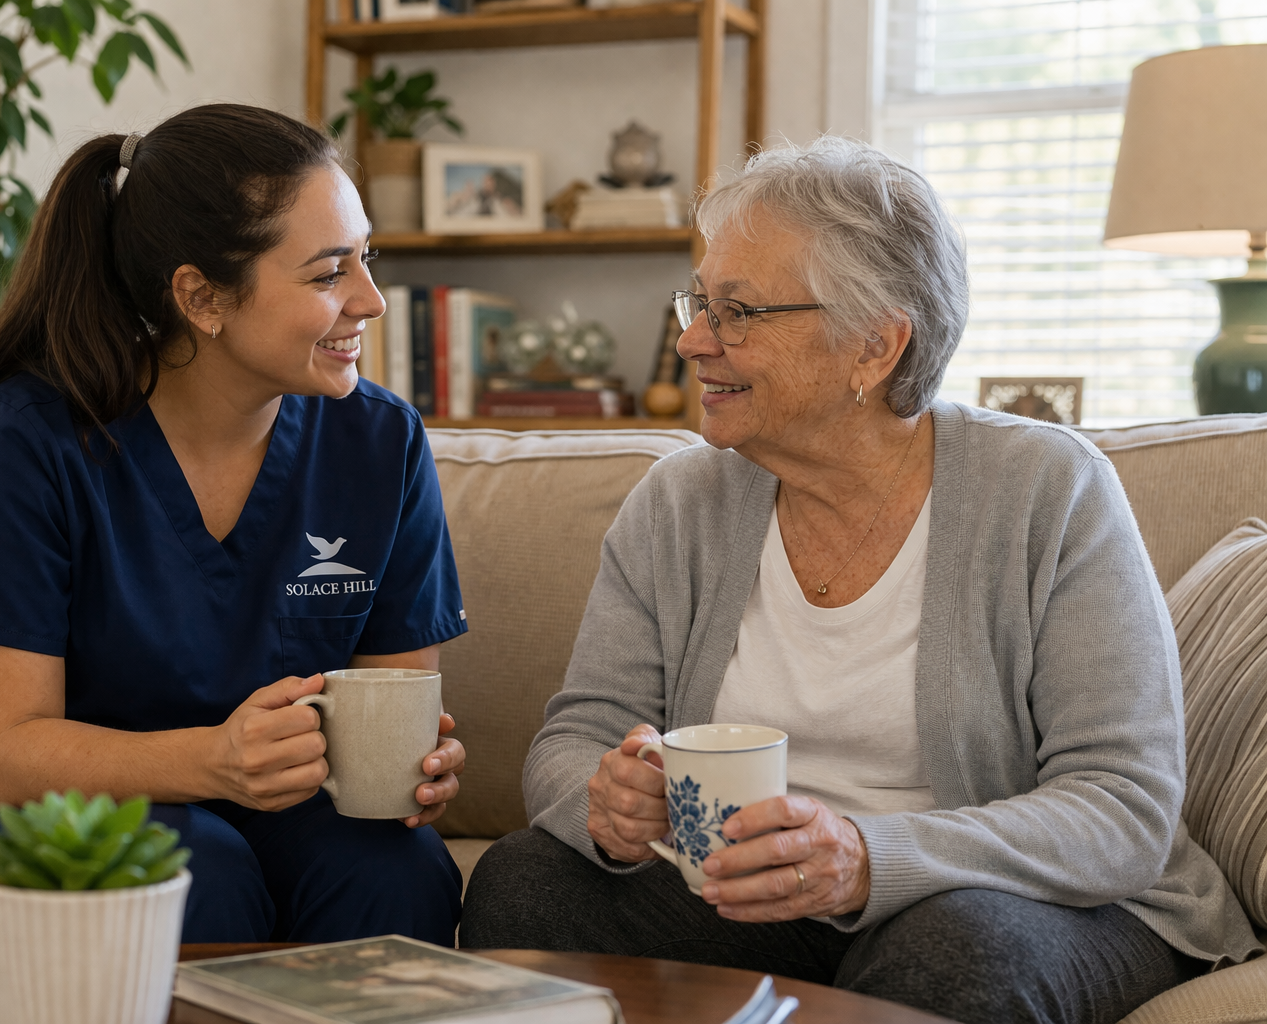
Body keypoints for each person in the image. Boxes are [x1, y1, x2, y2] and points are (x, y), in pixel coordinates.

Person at [460, 136, 1261, 1024]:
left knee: (955, 954)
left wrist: (868, 857)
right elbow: (579, 735)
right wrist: (605, 806)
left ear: (873, 348)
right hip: (756, 900)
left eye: (737, 312)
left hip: (1011, 900)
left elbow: (1122, 807)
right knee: (526, 881)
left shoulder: (1046, 488)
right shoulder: (679, 502)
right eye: (698, 302)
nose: (691, 341)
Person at [0, 105, 469, 957]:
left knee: (397, 868)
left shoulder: (380, 441)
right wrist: (218, 759)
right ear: (201, 296)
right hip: (8, 817)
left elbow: (397, 703)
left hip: (263, 814)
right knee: (185, 872)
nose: (370, 300)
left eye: (368, 258)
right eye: (330, 272)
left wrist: (415, 774)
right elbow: (9, 755)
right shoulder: (25, 441)